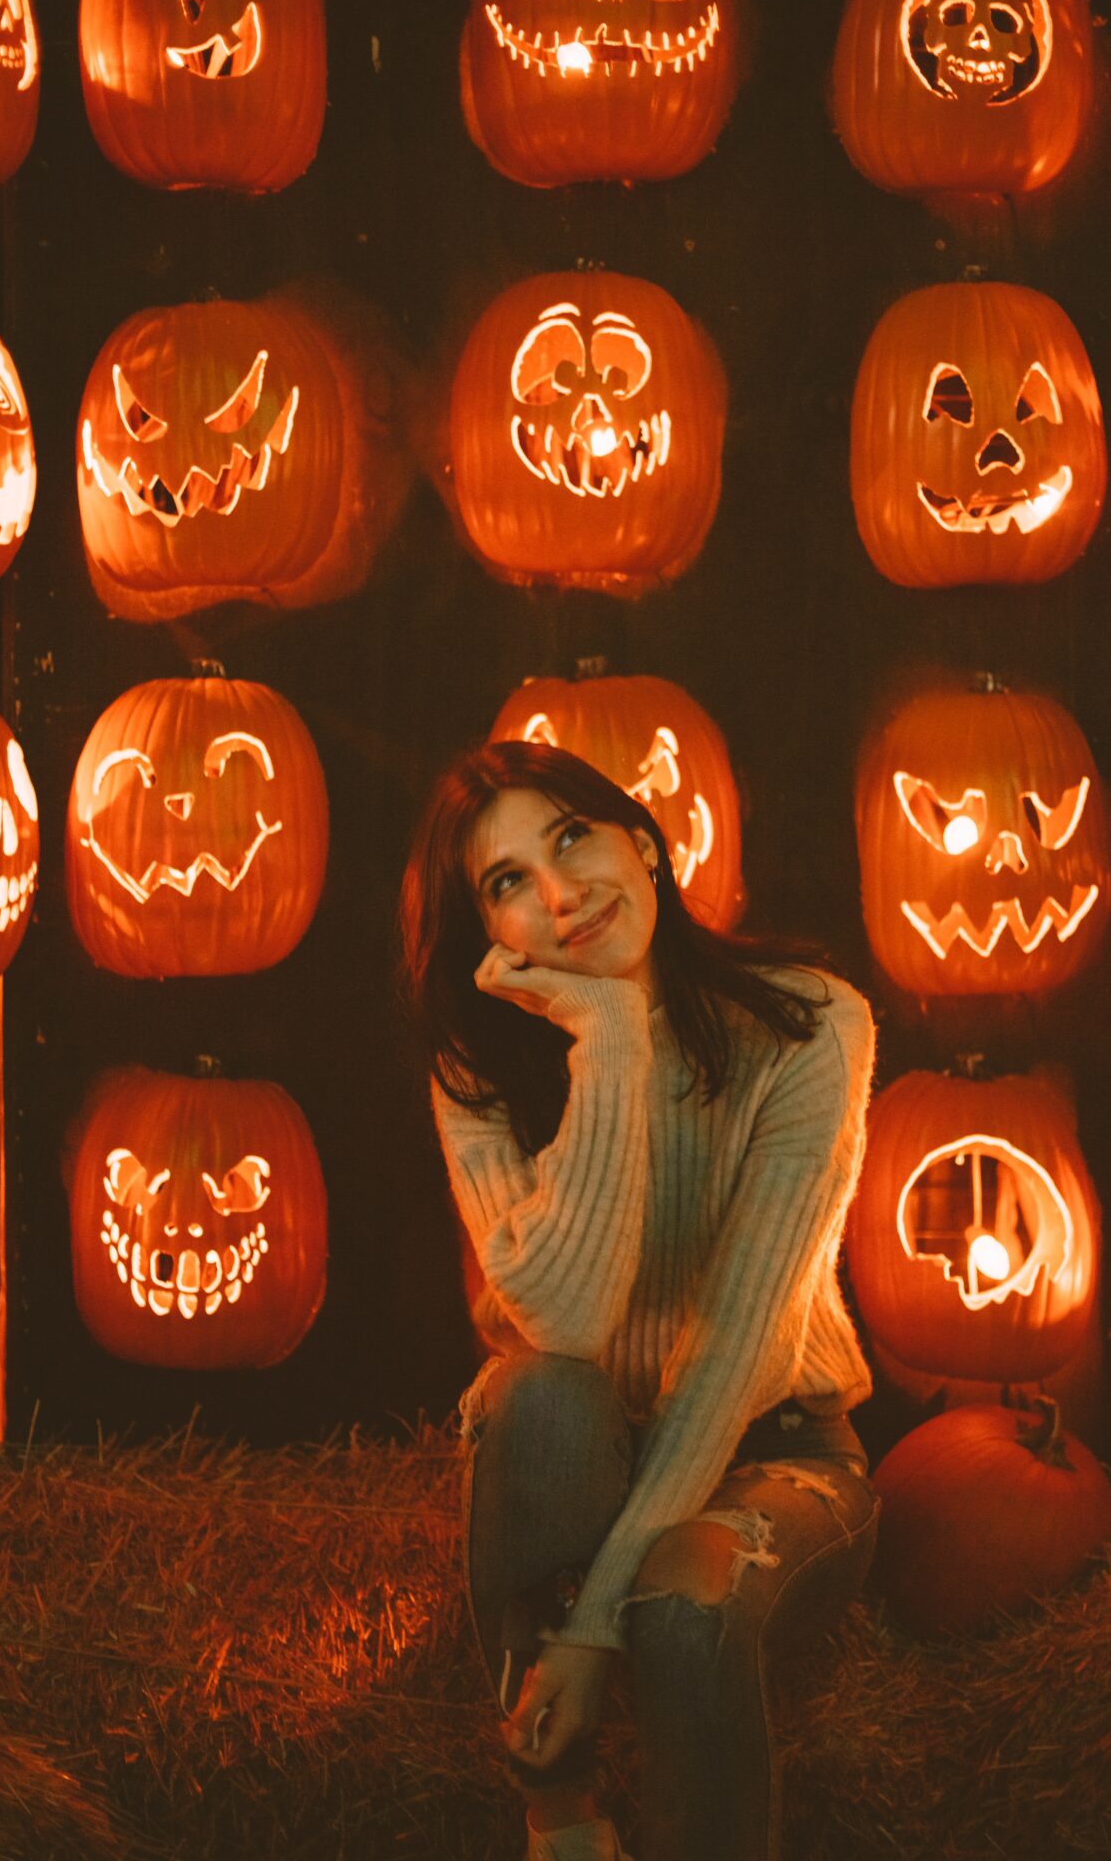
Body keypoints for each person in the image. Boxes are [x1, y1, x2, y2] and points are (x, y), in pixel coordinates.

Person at [399, 740, 879, 1861]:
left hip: (779, 1444)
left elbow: (730, 1356)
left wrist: (598, 1618)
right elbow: (562, 1327)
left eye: (571, 839)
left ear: (648, 846)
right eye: (507, 881)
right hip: (577, 1442)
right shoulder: (473, 1068)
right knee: (538, 1397)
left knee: (683, 1606)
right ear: (490, 935)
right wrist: (608, 1039)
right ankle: (558, 1813)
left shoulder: (807, 1026)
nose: (559, 895)